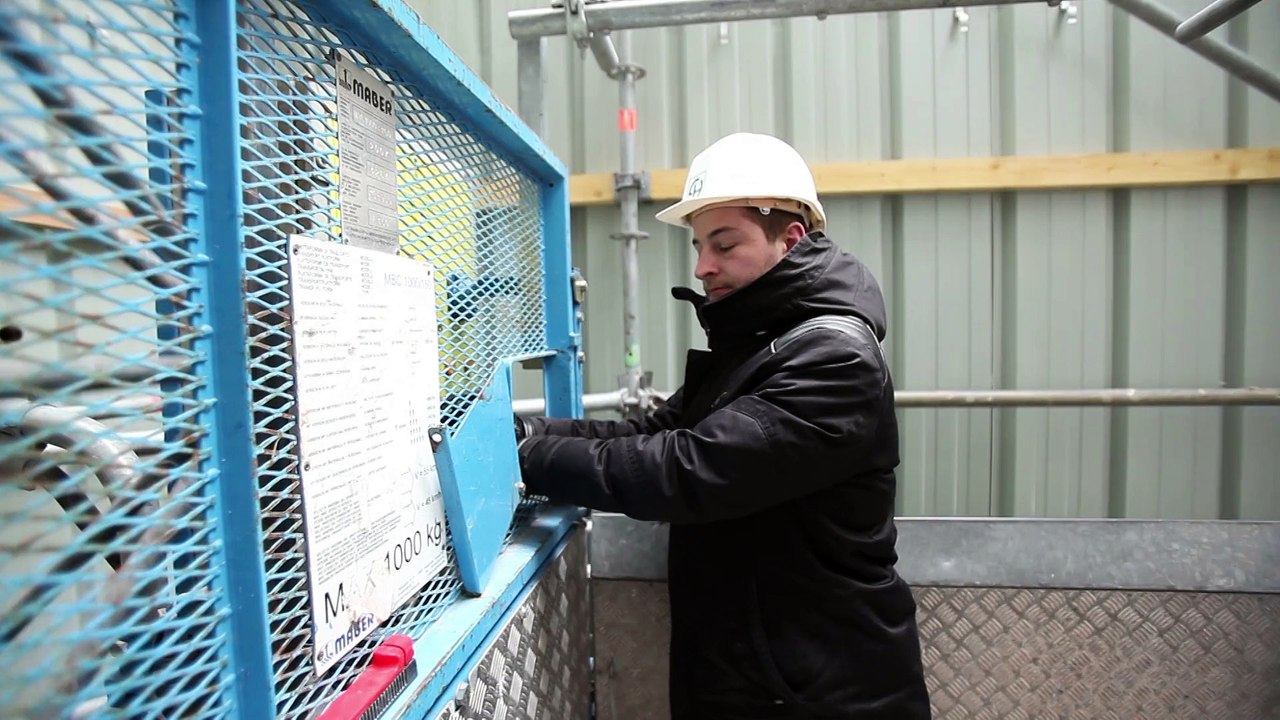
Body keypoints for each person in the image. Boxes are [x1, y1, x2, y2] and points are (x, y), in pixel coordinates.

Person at [515, 132, 931, 719]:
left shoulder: (834, 361)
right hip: (755, 678)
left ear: (790, 240)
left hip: (820, 692)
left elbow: (687, 470)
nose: (703, 265)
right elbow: (652, 435)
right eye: (699, 243)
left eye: (725, 243)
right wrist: (529, 435)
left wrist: (525, 465)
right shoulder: (757, 346)